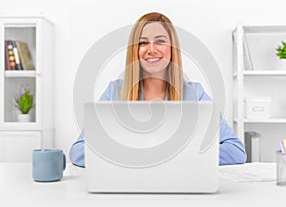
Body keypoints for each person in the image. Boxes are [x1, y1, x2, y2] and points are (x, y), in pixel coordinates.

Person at [69, 12, 247, 167]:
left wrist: (173, 157)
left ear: (172, 49)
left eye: (160, 41)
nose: (151, 49)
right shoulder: (115, 92)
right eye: (143, 42)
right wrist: (137, 158)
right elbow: (78, 151)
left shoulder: (195, 94)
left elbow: (236, 150)